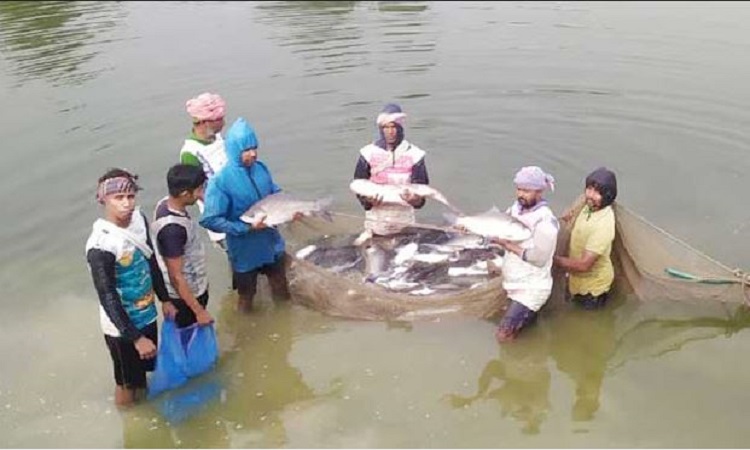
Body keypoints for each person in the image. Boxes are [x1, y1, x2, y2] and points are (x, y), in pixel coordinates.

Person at [84, 168, 170, 407]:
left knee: (144, 371)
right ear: (104, 200)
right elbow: (107, 296)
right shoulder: (101, 245)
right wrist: (136, 338)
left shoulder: (139, 220)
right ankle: (129, 419)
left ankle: (146, 410)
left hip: (146, 313)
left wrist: (165, 299)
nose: (126, 203)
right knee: (126, 382)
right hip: (121, 329)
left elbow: (151, 260)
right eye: (118, 198)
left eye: (131, 196)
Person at [200, 117, 300, 312]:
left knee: (282, 289)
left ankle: (285, 324)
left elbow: (276, 193)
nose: (253, 153)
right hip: (244, 251)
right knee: (246, 297)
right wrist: (245, 227)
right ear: (234, 150)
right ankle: (244, 326)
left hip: (271, 243)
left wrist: (291, 210)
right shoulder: (220, 182)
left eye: (255, 148)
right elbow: (210, 220)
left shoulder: (261, 169)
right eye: (246, 150)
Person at [492, 166, 559, 342]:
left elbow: (539, 259)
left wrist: (507, 244)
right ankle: (533, 340)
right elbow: (498, 225)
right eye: (519, 189)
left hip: (531, 290)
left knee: (503, 336)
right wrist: (470, 226)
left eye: (526, 191)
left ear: (539, 191)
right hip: (513, 282)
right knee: (522, 325)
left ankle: (519, 356)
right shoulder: (516, 208)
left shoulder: (545, 221)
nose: (521, 194)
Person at [353, 103, 429, 237]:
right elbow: (358, 185)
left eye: (394, 126)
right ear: (380, 129)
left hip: (405, 223)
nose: (390, 131)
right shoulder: (367, 153)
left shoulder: (415, 155)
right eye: (386, 127)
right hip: (375, 223)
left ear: (400, 127)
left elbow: (421, 197)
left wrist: (415, 200)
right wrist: (367, 201)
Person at [152, 164, 213, 328]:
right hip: (186, 297)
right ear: (185, 194)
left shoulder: (164, 204)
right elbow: (176, 276)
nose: (202, 193)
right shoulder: (172, 230)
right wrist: (198, 311)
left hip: (191, 287)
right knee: (189, 332)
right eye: (199, 190)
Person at [554, 167, 618, 309]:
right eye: (589, 189)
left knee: (586, 318)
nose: (590, 195)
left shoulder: (603, 225)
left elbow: (584, 265)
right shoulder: (588, 204)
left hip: (593, 290)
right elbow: (579, 203)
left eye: (597, 192)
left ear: (607, 196)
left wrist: (553, 260)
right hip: (575, 281)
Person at [181, 92, 228, 249]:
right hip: (222, 219)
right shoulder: (190, 153)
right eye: (218, 120)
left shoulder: (219, 138)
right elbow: (198, 192)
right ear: (203, 122)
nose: (223, 123)